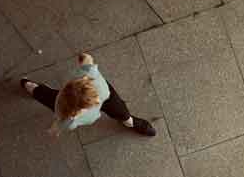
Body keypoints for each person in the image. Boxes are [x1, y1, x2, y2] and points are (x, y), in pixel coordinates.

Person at [20, 53, 156, 137]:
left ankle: (129, 121)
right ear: (77, 112)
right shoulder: (68, 117)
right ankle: (29, 86)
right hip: (61, 101)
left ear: (85, 81)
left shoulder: (88, 74)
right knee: (44, 95)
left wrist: (84, 57)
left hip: (107, 97)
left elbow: (87, 59)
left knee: (120, 109)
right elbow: (61, 124)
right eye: (95, 101)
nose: (98, 99)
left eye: (95, 94)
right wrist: (56, 128)